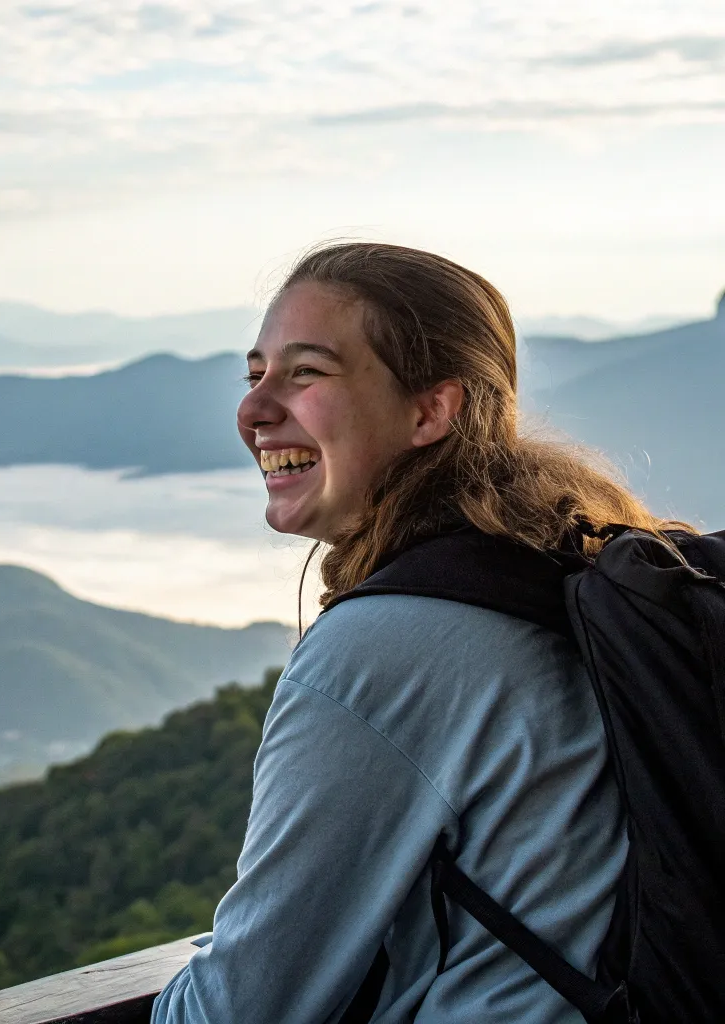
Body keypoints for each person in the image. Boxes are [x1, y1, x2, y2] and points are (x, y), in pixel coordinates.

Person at [151, 242, 688, 1023]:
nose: (255, 409)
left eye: (306, 373)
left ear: (431, 410)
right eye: (254, 373)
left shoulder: (384, 650)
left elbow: (243, 1009)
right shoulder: (575, 572)